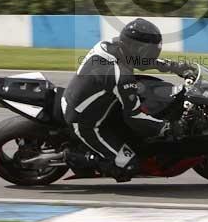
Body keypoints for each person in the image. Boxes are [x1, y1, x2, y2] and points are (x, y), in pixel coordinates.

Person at [62, 18, 195, 182]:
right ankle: (72, 157)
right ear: (135, 47)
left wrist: (174, 67)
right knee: (128, 165)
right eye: (149, 50)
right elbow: (134, 116)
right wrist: (167, 127)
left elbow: (141, 62)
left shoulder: (111, 46)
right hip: (84, 122)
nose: (152, 53)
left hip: (86, 99)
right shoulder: (120, 75)